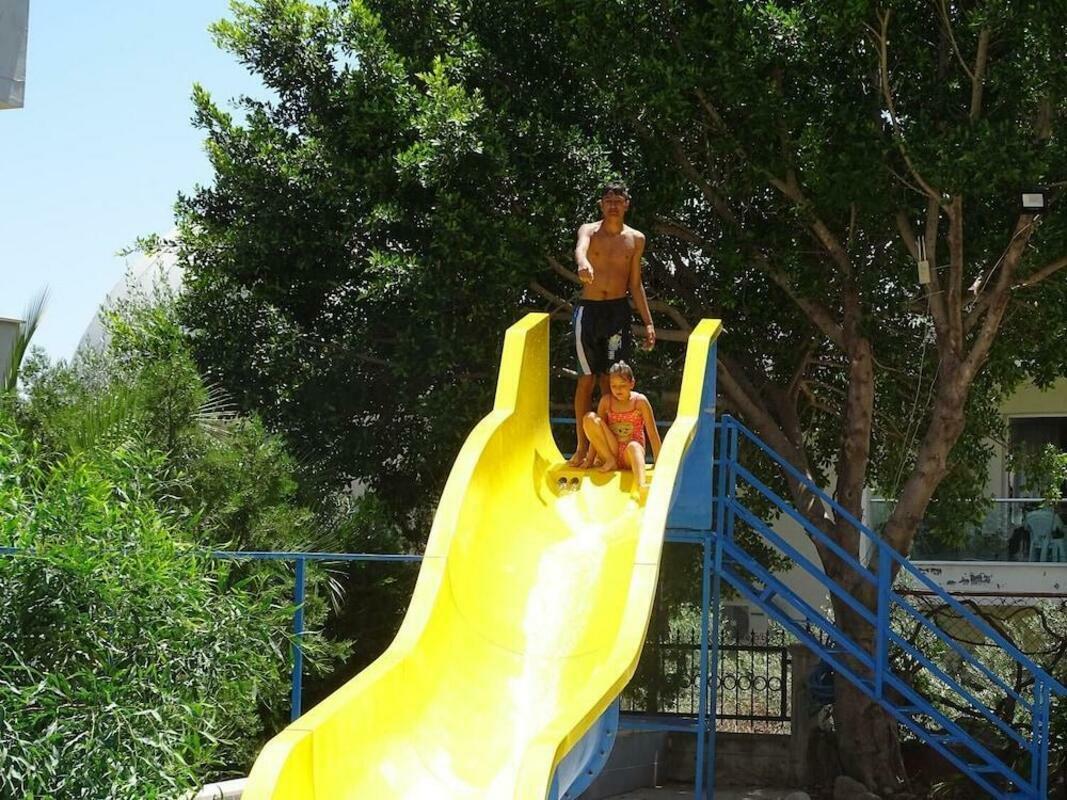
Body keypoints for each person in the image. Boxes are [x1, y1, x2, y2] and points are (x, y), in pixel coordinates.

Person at [568, 182, 655, 467]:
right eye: (608, 201)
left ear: (627, 204)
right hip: (589, 311)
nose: (613, 206)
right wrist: (583, 264)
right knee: (586, 379)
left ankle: (607, 449)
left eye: (618, 201)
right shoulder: (589, 230)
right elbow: (580, 250)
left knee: (611, 379)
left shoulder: (635, 239)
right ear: (601, 205)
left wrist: (648, 322)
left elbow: (635, 284)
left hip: (617, 312)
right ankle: (582, 447)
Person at [582, 361, 661, 496]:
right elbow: (597, 432)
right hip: (612, 450)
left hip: (630, 453)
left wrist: (660, 463)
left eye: (622, 385)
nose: (618, 390)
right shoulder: (606, 401)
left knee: (634, 446)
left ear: (632, 384)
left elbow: (652, 433)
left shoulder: (640, 402)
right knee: (589, 418)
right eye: (614, 386)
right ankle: (610, 460)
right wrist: (590, 459)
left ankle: (641, 485)